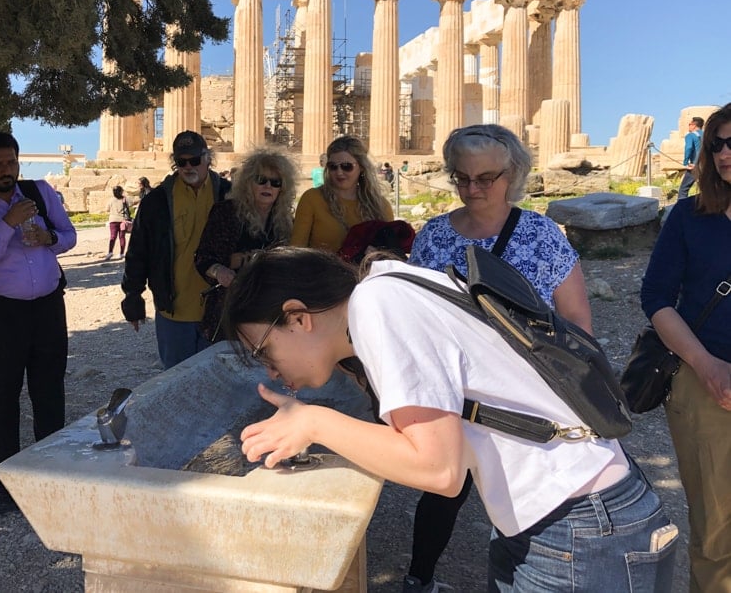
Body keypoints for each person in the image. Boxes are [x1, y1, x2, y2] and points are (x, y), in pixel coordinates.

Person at [226, 247, 676, 592]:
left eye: (264, 349)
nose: (269, 368)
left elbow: (439, 470)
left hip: (579, 525)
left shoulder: (378, 306)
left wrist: (314, 423)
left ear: (298, 317)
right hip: (570, 512)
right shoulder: (390, 283)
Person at [404, 123, 592, 592]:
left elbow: (576, 319)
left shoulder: (542, 235)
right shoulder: (432, 237)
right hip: (455, 390)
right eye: (461, 177)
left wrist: (569, 389)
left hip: (525, 393)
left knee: (520, 497)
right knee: (442, 490)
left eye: (485, 178)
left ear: (513, 173)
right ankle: (417, 579)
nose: (472, 189)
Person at [0, 131, 77, 515]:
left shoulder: (39, 192)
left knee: (49, 393)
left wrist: (48, 237)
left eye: (12, 162)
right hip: (4, 314)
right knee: (3, 400)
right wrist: (6, 224)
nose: (7, 171)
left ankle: (52, 478)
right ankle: (5, 487)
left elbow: (69, 236)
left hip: (48, 309)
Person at [641, 103, 731, 591]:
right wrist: (706, 365)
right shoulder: (690, 217)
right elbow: (654, 297)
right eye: (716, 143)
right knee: (718, 533)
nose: (723, 153)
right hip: (708, 385)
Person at [121, 130, 231, 369]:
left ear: (208, 159)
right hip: (174, 312)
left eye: (194, 160)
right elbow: (139, 250)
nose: (188, 166)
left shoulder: (229, 195)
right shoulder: (156, 201)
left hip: (221, 309)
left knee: (219, 385)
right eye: (181, 162)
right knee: (175, 382)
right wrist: (132, 294)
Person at [195, 149, 297, 342]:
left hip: (269, 313)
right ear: (248, 182)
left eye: (275, 183)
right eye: (261, 180)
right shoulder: (226, 213)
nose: (268, 186)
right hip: (230, 308)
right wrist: (220, 271)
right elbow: (203, 257)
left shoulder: (286, 221)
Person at [291, 136, 393, 252]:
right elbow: (297, 249)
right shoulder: (312, 199)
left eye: (346, 166)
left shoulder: (380, 205)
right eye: (333, 166)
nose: (339, 172)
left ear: (362, 167)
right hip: (322, 269)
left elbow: (391, 251)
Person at [679, 116, 704, 200]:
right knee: (706, 189)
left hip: (695, 165)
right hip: (707, 165)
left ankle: (681, 209)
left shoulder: (691, 135)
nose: (688, 126)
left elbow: (689, 148)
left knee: (683, 189)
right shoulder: (706, 135)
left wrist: (686, 162)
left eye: (689, 124)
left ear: (694, 125)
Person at [104, 185, 130, 261]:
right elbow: (128, 208)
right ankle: (122, 253)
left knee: (112, 237)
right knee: (122, 237)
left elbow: (107, 209)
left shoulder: (111, 200)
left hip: (113, 220)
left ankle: (110, 252)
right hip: (123, 220)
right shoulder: (124, 199)